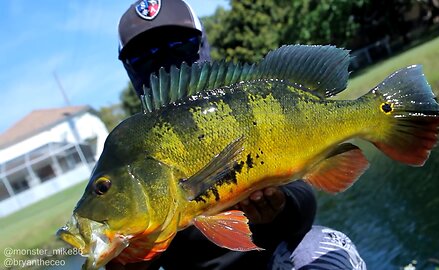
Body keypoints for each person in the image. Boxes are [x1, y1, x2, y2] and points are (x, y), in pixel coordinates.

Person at [110, 1, 366, 269]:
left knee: (322, 247)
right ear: (129, 68)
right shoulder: (125, 156)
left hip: (273, 259)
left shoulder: (248, 103)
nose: (166, 61)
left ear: (202, 45)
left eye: (179, 45)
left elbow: (303, 203)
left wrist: (281, 206)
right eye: (144, 56)